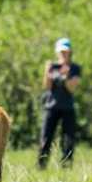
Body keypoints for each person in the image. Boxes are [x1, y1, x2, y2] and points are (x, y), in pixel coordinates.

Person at [38, 37, 81, 169]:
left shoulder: (75, 68)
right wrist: (47, 71)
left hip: (68, 107)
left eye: (66, 51)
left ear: (70, 52)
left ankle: (66, 165)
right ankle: (42, 165)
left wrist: (66, 75)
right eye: (61, 51)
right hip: (51, 107)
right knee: (46, 136)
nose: (63, 54)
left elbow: (71, 88)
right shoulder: (52, 66)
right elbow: (47, 86)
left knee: (68, 138)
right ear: (57, 52)